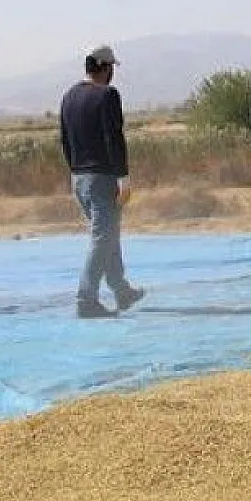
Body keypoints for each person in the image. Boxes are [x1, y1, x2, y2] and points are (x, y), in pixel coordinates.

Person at [59, 44, 145, 318]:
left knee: (108, 234)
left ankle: (121, 289)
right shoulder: (108, 96)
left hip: (79, 178)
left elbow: (64, 140)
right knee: (103, 236)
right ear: (105, 68)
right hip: (102, 177)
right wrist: (123, 176)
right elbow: (114, 137)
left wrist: (75, 169)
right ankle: (86, 298)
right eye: (111, 69)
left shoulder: (69, 96)